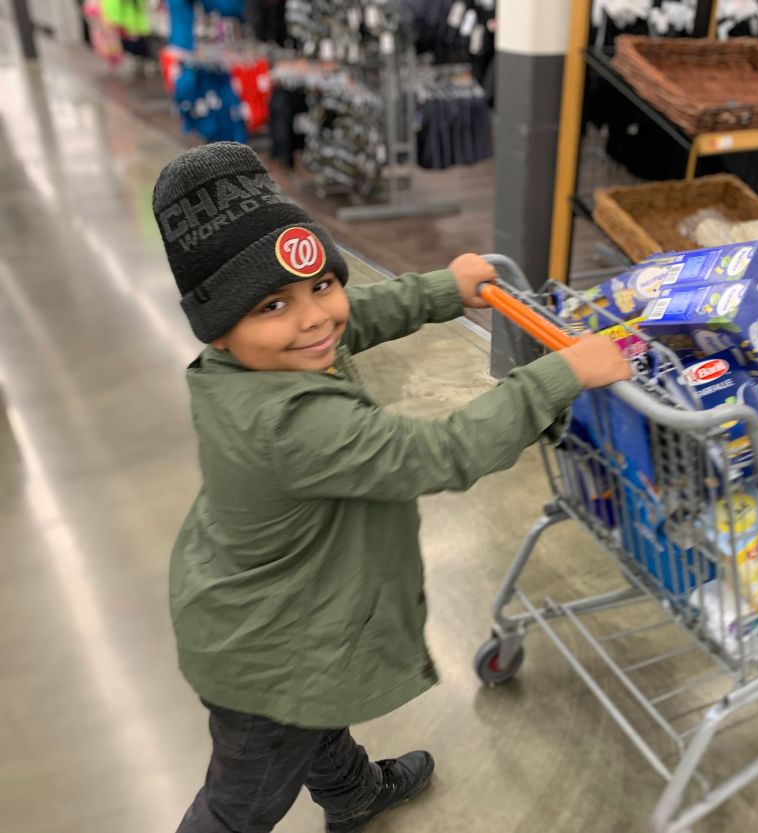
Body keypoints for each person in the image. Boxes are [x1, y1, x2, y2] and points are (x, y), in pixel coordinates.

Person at [152, 142, 630, 833]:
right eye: (273, 305)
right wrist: (563, 374)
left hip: (282, 611)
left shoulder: (253, 360)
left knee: (315, 710)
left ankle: (352, 793)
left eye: (321, 284)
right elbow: (443, 451)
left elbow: (354, 317)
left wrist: (442, 289)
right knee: (242, 803)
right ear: (218, 327)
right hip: (262, 653)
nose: (314, 317)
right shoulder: (287, 422)